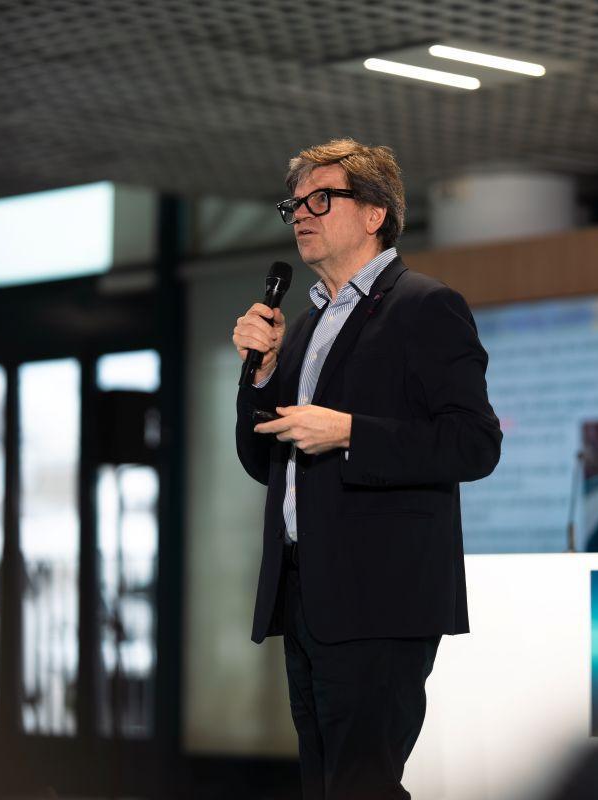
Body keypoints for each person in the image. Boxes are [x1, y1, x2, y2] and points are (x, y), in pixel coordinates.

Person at [231, 139, 502, 798]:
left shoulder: (424, 307)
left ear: (375, 212)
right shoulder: (302, 327)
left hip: (381, 597)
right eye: (293, 204)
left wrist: (350, 433)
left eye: (321, 199)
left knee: (362, 787)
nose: (301, 214)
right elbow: (262, 461)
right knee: (325, 785)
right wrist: (261, 378)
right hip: (307, 594)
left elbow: (474, 443)